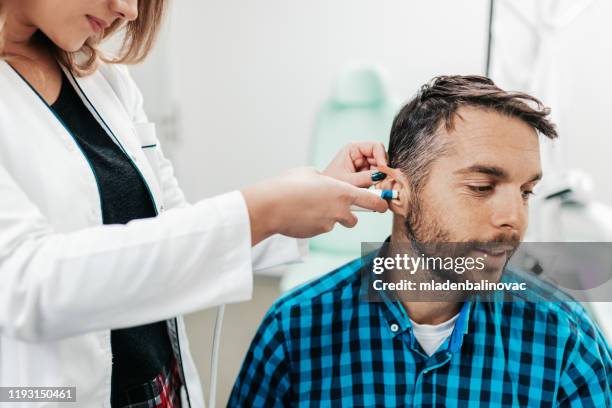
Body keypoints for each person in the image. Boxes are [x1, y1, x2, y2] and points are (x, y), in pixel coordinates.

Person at [0, 1, 390, 407]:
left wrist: (304, 201)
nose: (129, 11)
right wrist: (262, 210)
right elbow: (26, 283)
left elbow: (169, 224)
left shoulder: (106, 80)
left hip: (161, 387)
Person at [229, 76, 612, 406]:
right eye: (481, 187)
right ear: (396, 191)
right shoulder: (296, 330)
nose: (514, 219)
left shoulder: (565, 341)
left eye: (526, 191)